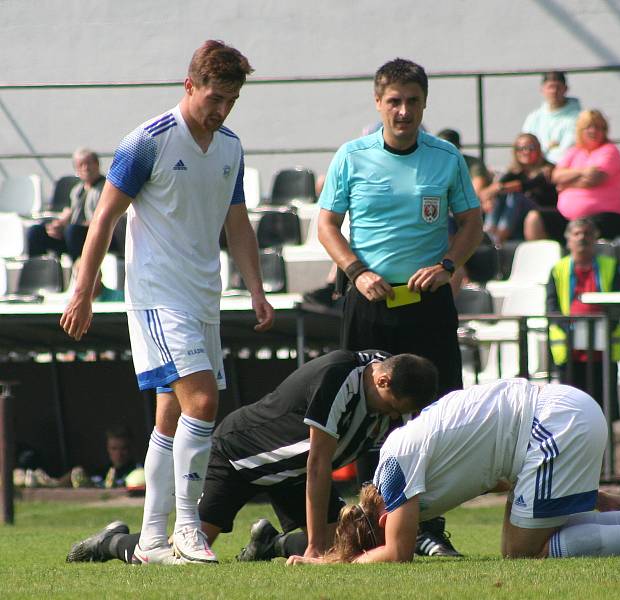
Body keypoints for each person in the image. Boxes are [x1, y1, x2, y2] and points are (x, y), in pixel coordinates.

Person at [60, 40, 275, 565]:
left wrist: (256, 289)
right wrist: (82, 292)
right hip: (158, 295)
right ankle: (188, 529)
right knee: (202, 401)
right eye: (214, 97)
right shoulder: (148, 141)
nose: (221, 109)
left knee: (171, 415)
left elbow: (237, 221)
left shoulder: (230, 147)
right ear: (189, 86)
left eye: (231, 99)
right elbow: (104, 219)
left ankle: (152, 541)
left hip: (204, 296)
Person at [317, 58, 483, 557]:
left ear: (424, 103)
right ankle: (371, 525)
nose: (403, 110)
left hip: (428, 306)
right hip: (370, 304)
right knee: (368, 419)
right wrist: (355, 271)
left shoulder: (446, 157)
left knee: (435, 417)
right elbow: (326, 225)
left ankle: (429, 527)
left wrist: (449, 265)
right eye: (394, 101)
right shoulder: (352, 156)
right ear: (378, 103)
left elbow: (472, 222)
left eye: (412, 100)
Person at [66, 350, 439, 565]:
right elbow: (318, 464)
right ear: (383, 382)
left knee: (352, 548)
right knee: (180, 560)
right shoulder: (340, 377)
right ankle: (112, 542)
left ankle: (269, 544)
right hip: (237, 457)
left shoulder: (390, 379)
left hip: (289, 473)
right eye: (394, 408)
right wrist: (312, 548)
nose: (394, 418)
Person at [287, 380, 620, 564]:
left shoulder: (394, 473)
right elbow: (496, 475)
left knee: (521, 552)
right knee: (528, 513)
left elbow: (397, 553)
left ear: (381, 520)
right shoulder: (404, 455)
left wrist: (327, 566)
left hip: (552, 425)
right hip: (561, 412)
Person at [546, 218, 620, 420]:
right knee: (571, 415)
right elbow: (552, 308)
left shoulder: (611, 266)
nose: (582, 238)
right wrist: (570, 330)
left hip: (603, 352)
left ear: (596, 238)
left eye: (587, 233)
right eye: (577, 233)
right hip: (570, 353)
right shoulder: (558, 269)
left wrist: (603, 328)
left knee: (602, 414)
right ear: (568, 239)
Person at [26, 148, 117, 262]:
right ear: (76, 170)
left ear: (97, 164)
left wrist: (71, 227)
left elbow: (106, 218)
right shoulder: (77, 190)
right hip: (75, 235)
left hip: (101, 236)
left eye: (89, 163)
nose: (86, 168)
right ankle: (38, 272)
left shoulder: (106, 188)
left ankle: (81, 272)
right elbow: (70, 211)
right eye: (81, 165)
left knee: (72, 231)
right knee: (36, 232)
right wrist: (58, 225)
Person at [553, 110, 620, 240]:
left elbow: (594, 179)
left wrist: (566, 184)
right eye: (588, 127)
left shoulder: (610, 150)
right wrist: (582, 171)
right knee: (535, 219)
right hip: (568, 219)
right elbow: (556, 177)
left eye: (598, 127)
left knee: (580, 230)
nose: (593, 131)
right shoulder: (574, 151)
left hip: (606, 217)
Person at [481, 133, 562, 244]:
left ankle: (499, 236)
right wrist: (489, 199)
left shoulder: (547, 170)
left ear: (538, 150)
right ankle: (489, 230)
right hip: (517, 217)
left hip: (541, 214)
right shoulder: (514, 172)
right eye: (521, 148)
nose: (526, 152)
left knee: (515, 195)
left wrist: (498, 188)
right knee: (497, 197)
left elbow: (524, 185)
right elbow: (485, 193)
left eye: (531, 148)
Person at [521, 71, 582, 164]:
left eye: (558, 87)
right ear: (542, 89)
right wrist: (548, 147)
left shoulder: (578, 118)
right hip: (534, 168)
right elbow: (524, 147)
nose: (554, 91)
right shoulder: (533, 118)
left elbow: (568, 150)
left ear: (566, 89)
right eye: (550, 87)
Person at [436, 128, 492, 198]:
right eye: (440, 147)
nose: (445, 152)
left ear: (458, 147)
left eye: (449, 148)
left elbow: (476, 192)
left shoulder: (473, 163)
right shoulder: (432, 165)